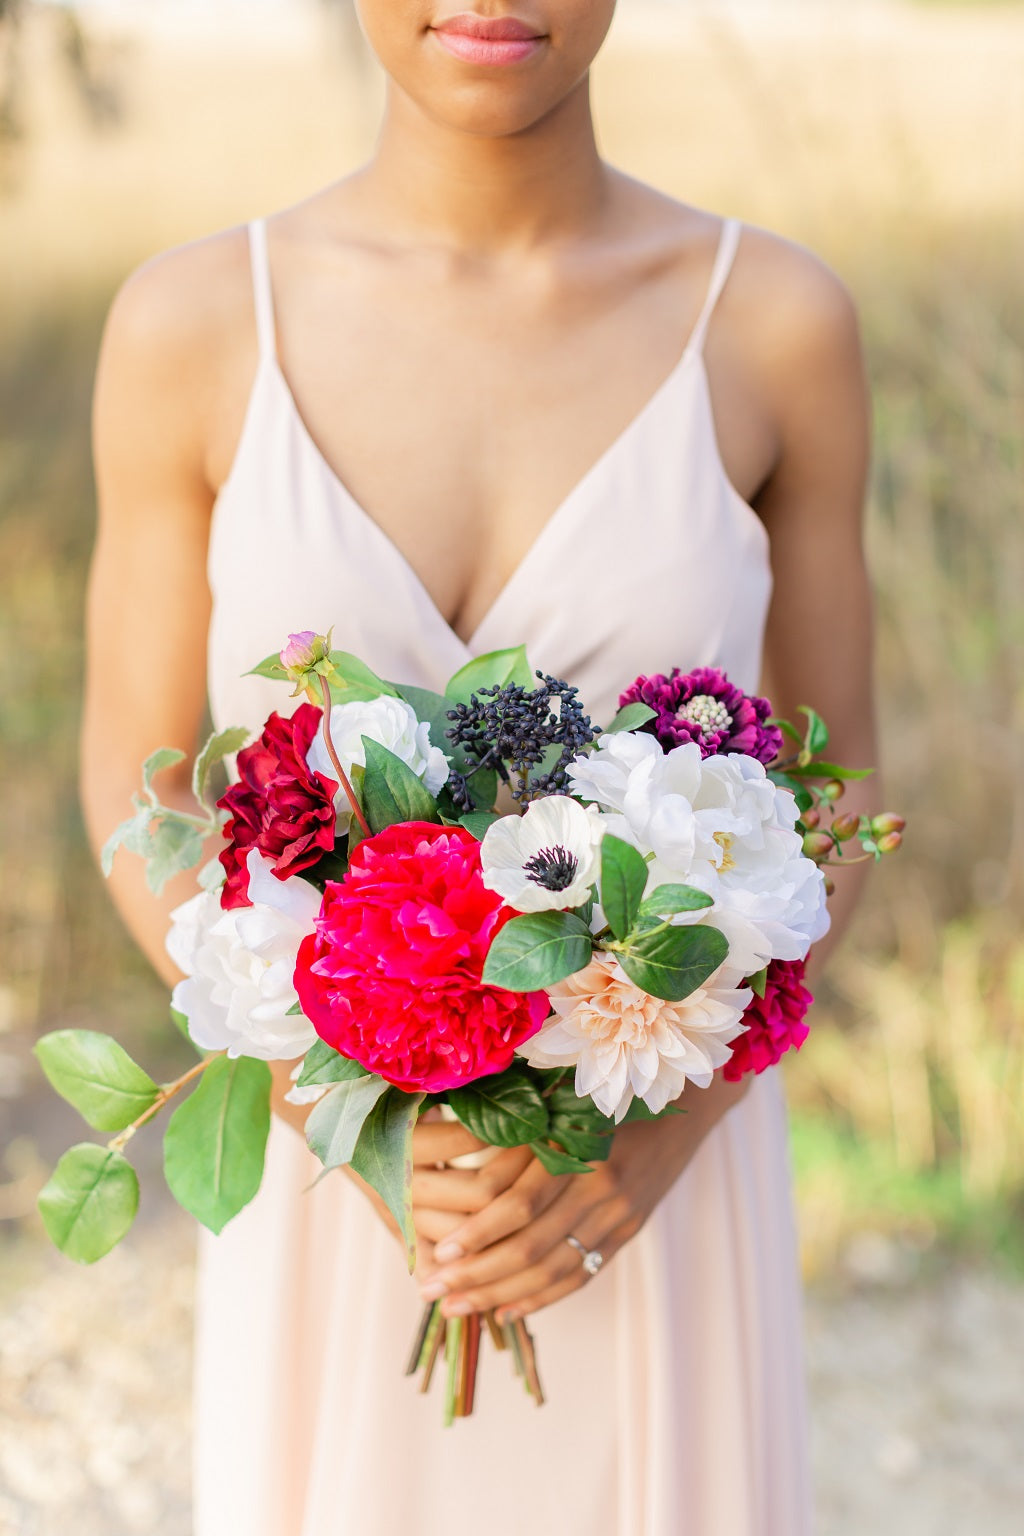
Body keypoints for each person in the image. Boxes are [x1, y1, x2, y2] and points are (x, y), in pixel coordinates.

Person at [81, 4, 876, 1533]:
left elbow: (838, 810)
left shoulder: (774, 321)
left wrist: (653, 1144)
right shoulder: (190, 323)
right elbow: (137, 775)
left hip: (651, 1196)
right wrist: (337, 1111)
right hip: (340, 1196)